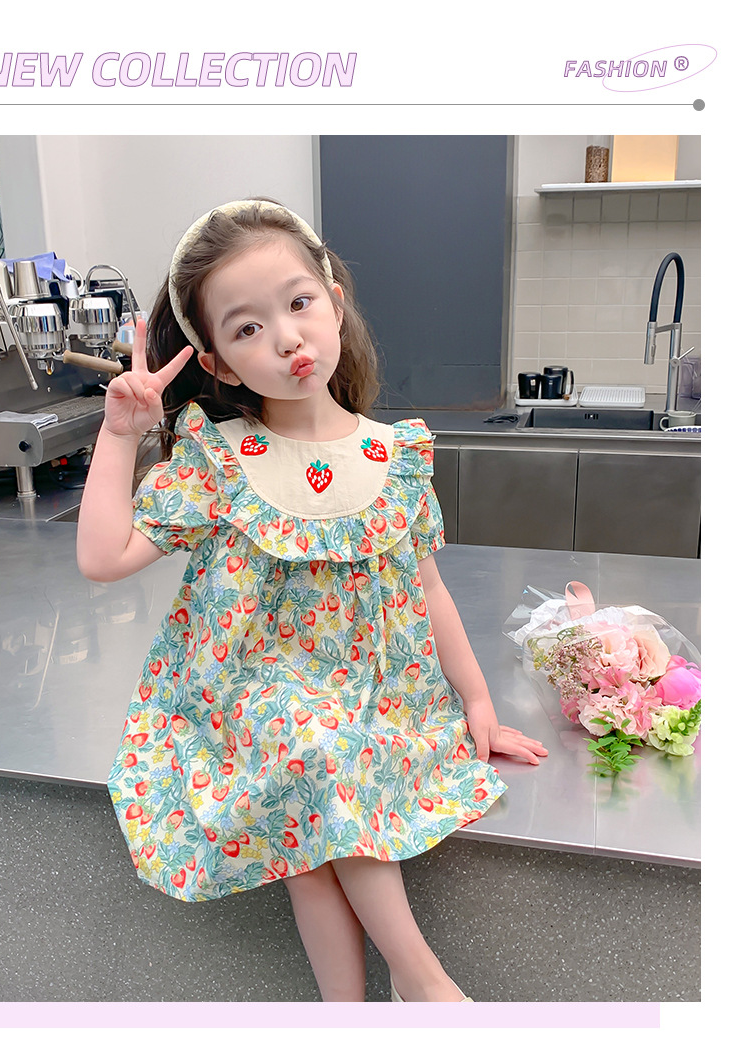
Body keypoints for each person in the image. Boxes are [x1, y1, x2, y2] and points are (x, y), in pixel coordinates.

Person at [77, 198, 548, 1003]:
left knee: (309, 823)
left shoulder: (395, 457)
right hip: (249, 697)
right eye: (247, 327)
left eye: (298, 303)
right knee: (314, 749)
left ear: (334, 299)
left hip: (376, 693)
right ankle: (425, 985)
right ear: (220, 364)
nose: (287, 337)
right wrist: (120, 436)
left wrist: (475, 699)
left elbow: (427, 588)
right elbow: (103, 558)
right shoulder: (221, 461)